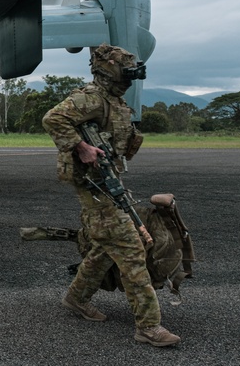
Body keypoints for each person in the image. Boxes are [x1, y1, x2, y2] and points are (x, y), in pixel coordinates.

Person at [42, 44, 181, 348]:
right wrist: (81, 147)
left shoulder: (115, 101)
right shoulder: (91, 97)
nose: (131, 77)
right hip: (95, 187)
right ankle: (148, 326)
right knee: (131, 251)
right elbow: (53, 118)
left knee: (106, 247)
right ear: (109, 70)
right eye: (126, 70)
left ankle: (76, 298)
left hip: (109, 182)